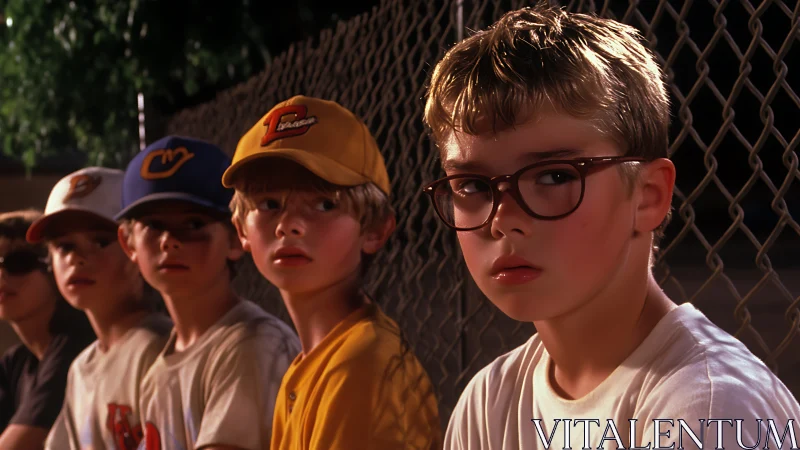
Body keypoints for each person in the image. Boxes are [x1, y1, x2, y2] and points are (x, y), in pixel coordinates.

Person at [422, 3, 800, 449]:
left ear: (648, 196)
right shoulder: (489, 402)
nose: (503, 220)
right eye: (472, 185)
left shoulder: (710, 408)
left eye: (554, 176)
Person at [224, 95, 442, 450]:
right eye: (269, 204)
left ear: (375, 229)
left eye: (324, 204)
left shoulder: (360, 363)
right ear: (241, 230)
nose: (289, 225)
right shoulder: (314, 360)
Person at [116, 135, 301, 450]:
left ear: (234, 237)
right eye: (153, 225)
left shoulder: (253, 346)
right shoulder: (159, 370)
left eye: (193, 223)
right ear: (128, 243)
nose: (168, 241)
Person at [25, 167, 172, 450]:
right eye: (64, 246)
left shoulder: (159, 348)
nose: (77, 259)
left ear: (134, 248)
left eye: (101, 241)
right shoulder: (81, 368)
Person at [0, 209, 95, 449]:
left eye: (18, 263)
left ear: (53, 268)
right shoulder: (16, 362)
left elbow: (20, 444)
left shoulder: (77, 343)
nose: (1, 274)